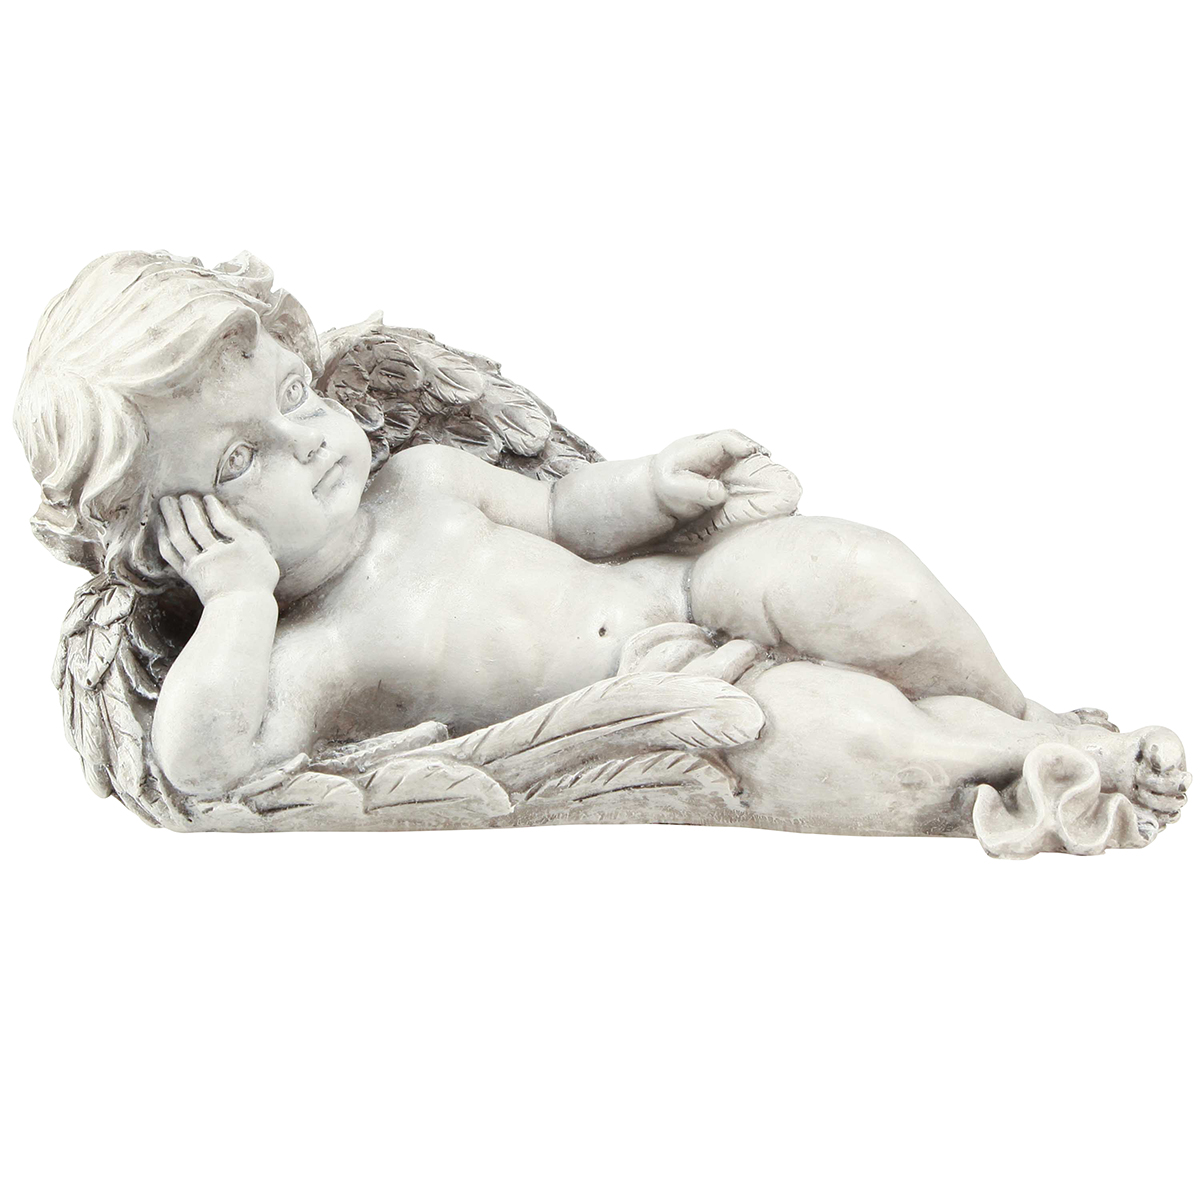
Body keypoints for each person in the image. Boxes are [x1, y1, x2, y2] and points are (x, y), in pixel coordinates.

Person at [15, 251, 1187, 838]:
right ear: (172, 536)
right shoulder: (307, 655)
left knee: (857, 573)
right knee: (828, 735)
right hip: (654, 694)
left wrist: (655, 482)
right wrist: (232, 602)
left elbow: (568, 510)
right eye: (237, 464)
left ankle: (1029, 710)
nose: (309, 440)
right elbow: (205, 767)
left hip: (686, 583)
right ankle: (1014, 772)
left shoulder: (425, 476)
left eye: (294, 394)